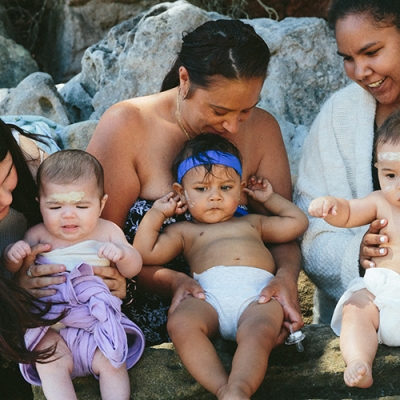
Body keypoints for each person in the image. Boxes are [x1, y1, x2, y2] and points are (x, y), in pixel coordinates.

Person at [87, 19, 303, 346]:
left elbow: (280, 231)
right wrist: (175, 282)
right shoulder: (127, 126)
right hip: (146, 304)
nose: (232, 126)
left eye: (246, 110)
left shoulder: (262, 130)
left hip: (248, 305)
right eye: (219, 110)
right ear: (184, 79)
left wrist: (285, 281)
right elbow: (98, 242)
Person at [133, 134, 308, 400]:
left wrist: (269, 198)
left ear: (240, 189)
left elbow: (296, 223)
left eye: (226, 188)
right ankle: (221, 388)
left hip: (258, 296)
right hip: (208, 297)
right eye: (201, 190)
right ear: (181, 193)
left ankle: (239, 388)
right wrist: (157, 213)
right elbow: (144, 252)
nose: (214, 197)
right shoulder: (185, 231)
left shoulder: (253, 223)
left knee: (259, 333)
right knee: (180, 323)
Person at [3, 150, 145, 400]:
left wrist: (123, 254)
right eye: (55, 206)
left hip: (97, 325)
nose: (68, 215)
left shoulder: (108, 231)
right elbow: (17, 273)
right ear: (40, 203)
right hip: (52, 327)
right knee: (48, 361)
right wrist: (13, 254)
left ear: (101, 203)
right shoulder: (37, 234)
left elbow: (133, 269)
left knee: (113, 361)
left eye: (81, 205)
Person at [295, 0, 400, 324]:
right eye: (348, 58)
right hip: (367, 316)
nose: (359, 71)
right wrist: (356, 254)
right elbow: (310, 228)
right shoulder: (338, 116)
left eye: (371, 52)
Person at [308, 111, 400, 388]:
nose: (398, 186)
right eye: (390, 175)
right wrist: (332, 206)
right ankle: (359, 360)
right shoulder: (378, 202)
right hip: (380, 292)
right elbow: (348, 213)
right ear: (377, 170)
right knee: (355, 308)